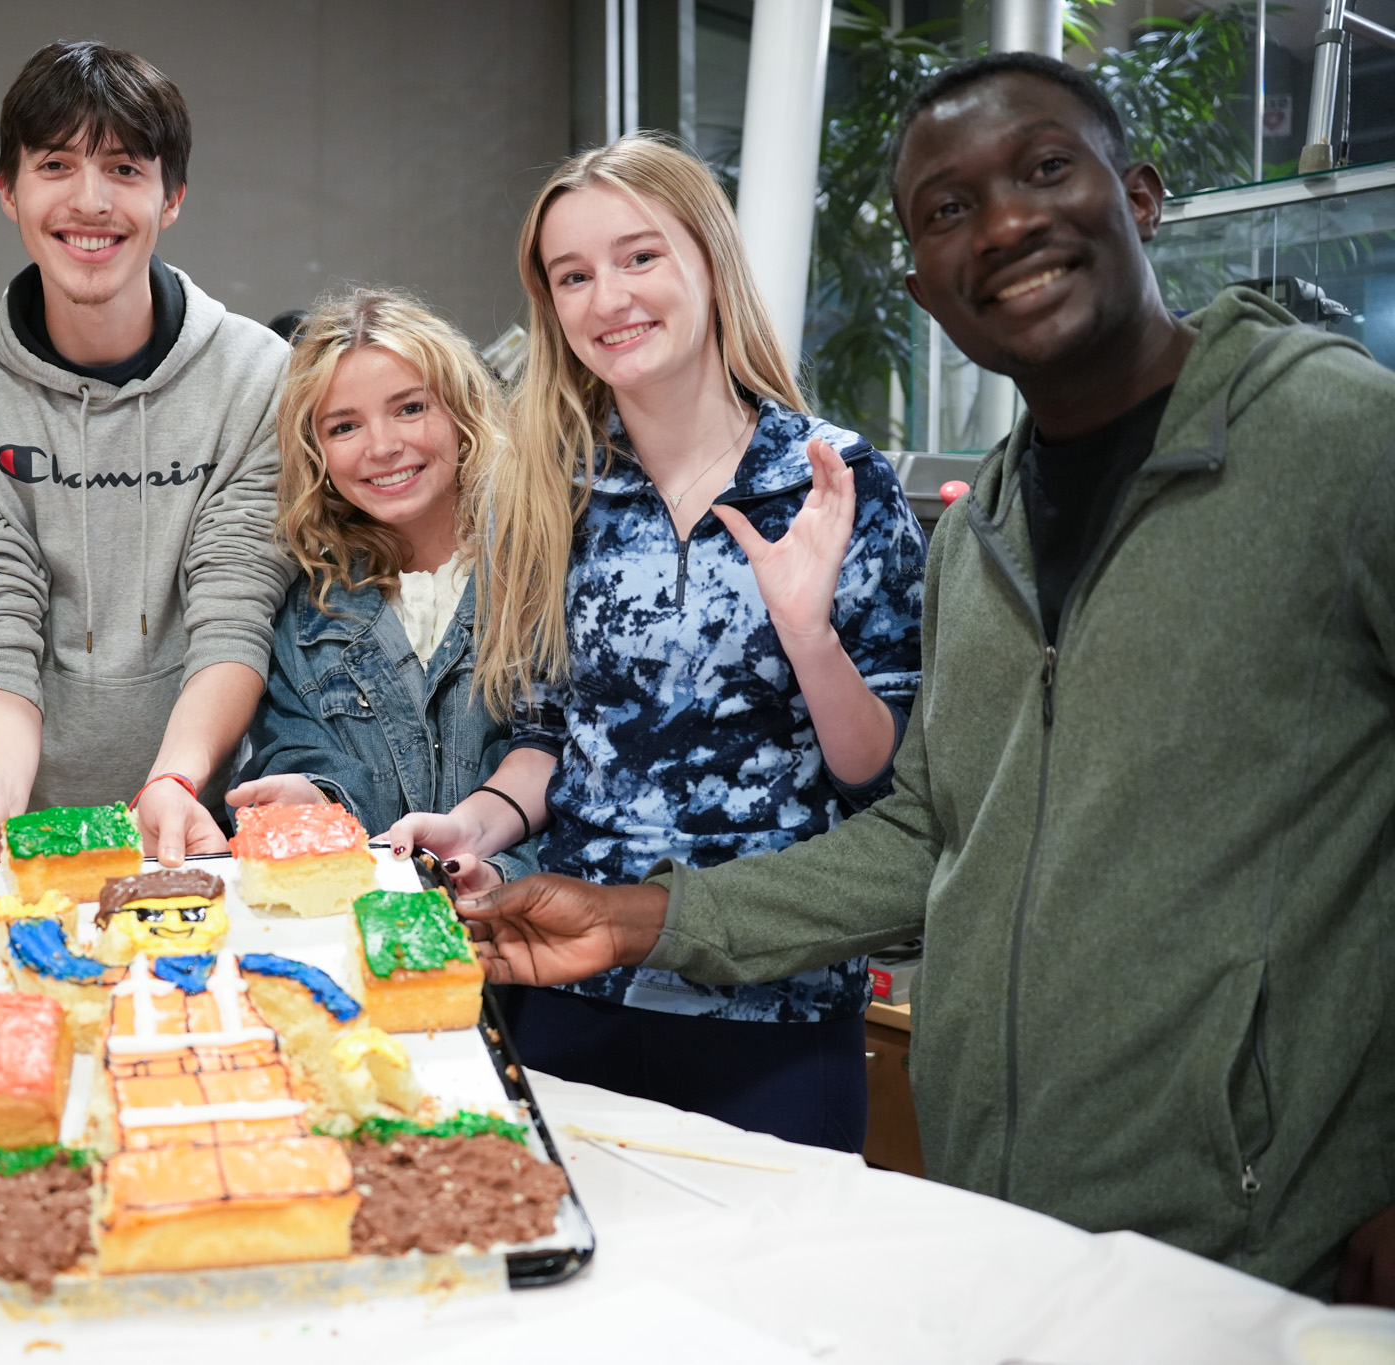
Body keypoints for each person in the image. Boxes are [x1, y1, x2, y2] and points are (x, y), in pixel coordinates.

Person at [457, 54, 1395, 1303]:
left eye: (1044, 170)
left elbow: (873, 774)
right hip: (993, 1191)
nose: (1003, 224)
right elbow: (928, 834)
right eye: (946, 212)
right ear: (922, 285)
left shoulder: (1337, 440)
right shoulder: (989, 526)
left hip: (1251, 1221)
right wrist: (617, 913)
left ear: (1142, 194)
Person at [390, 137, 926, 1151]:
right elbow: (551, 735)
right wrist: (478, 824)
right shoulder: (555, 494)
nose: (608, 298)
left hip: (776, 1012)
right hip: (573, 986)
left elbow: (879, 776)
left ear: (708, 265)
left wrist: (807, 635)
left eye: (639, 258)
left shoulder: (830, 479)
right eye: (573, 275)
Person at [0, 40, 291, 888]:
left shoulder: (259, 377)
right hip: (15, 842)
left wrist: (177, 778)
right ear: (8, 190)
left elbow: (234, 608)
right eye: (55, 164)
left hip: (202, 822)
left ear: (170, 196)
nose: (89, 200)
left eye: (122, 168)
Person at [223, 288, 536, 884]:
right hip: (368, 937)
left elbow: (571, 760)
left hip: (533, 937)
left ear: (462, 410)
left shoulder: (539, 571)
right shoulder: (306, 611)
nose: (383, 446)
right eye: (345, 426)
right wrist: (314, 798)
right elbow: (302, 751)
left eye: (410, 408)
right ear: (315, 452)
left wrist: (497, 871)